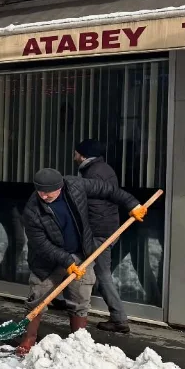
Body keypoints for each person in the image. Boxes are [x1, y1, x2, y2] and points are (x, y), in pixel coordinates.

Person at [17, 167, 147, 356]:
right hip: (47, 261)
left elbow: (109, 190)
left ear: (60, 186)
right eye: (40, 192)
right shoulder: (32, 210)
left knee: (80, 298)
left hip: (82, 254)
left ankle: (79, 341)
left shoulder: (76, 186)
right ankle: (29, 338)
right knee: (38, 299)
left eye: (48, 192)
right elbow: (41, 244)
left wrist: (132, 204)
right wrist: (66, 261)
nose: (44, 196)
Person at [74, 139, 129, 333]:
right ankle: (69, 300)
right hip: (108, 228)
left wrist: (88, 231)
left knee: (102, 273)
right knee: (86, 267)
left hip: (100, 232)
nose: (74, 155)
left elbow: (94, 207)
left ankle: (119, 318)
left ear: (83, 155)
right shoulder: (104, 169)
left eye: (76, 152)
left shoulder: (93, 173)